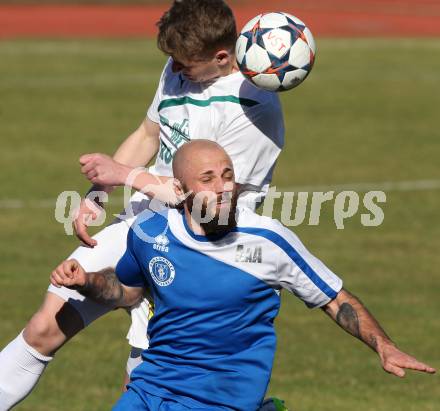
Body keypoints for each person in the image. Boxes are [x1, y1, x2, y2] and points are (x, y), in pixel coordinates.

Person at [0, 1, 284, 409]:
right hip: (143, 225)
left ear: (222, 57)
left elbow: (207, 204)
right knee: (45, 325)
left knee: (146, 382)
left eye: (185, 63)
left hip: (200, 251)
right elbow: (149, 133)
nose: (176, 69)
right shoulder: (177, 70)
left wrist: (126, 176)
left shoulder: (254, 110)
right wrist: (98, 193)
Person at [51, 140, 436, 411]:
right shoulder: (150, 231)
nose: (223, 188)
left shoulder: (268, 240)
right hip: (151, 386)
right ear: (181, 190)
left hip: (222, 396)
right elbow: (128, 292)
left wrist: (384, 345)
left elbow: (334, 297)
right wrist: (86, 281)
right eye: (207, 179)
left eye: (227, 175)